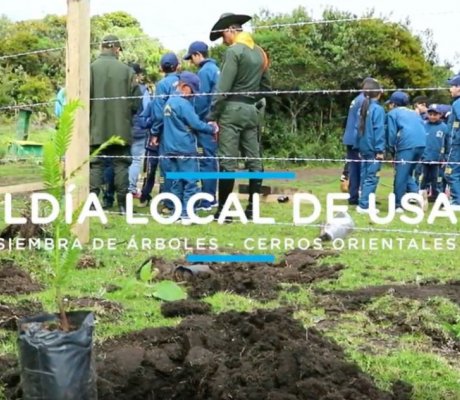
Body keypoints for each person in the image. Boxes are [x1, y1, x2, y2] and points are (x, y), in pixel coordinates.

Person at [208, 13, 271, 222]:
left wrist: (213, 114)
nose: (223, 41)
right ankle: (252, 210)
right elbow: (267, 87)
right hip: (252, 111)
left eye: (222, 36)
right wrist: (251, 101)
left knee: (228, 162)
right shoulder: (261, 53)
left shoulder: (234, 51)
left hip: (231, 111)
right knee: (255, 160)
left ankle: (224, 213)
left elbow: (223, 88)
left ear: (230, 30)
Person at [90, 34, 141, 214]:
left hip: (95, 127)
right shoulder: (128, 71)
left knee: (95, 164)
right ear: (117, 49)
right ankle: (122, 205)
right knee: (121, 164)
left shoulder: (90, 69)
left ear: (102, 47)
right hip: (121, 128)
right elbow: (136, 103)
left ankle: (92, 203)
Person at [158, 71, 218, 224]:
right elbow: (196, 124)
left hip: (170, 148)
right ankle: (187, 214)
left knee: (176, 182)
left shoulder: (169, 103)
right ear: (185, 88)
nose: (193, 95)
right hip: (185, 149)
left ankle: (177, 213)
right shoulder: (183, 104)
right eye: (192, 91)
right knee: (191, 182)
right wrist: (212, 128)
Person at [183, 41, 220, 211]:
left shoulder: (205, 71)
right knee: (211, 158)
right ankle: (211, 196)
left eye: (191, 58)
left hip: (206, 121)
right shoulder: (215, 69)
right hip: (215, 119)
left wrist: (194, 120)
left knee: (206, 159)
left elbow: (202, 100)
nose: (191, 62)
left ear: (198, 54)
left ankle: (208, 199)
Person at [140, 53, 180, 208]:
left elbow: (158, 112)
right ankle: (178, 198)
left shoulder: (162, 85)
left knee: (163, 166)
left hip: (164, 132)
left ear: (161, 68)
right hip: (181, 132)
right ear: (178, 66)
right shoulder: (184, 83)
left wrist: (155, 133)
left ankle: (167, 200)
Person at [342, 77, 381, 205]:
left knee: (355, 168)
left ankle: (357, 196)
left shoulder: (357, 99)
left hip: (351, 138)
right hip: (358, 140)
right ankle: (359, 197)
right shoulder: (364, 101)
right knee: (360, 170)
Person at [386, 91, 427, 212]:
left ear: (394, 104)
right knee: (408, 173)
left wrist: (391, 150)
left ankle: (398, 204)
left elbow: (391, 134)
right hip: (421, 144)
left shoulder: (393, 113)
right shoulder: (414, 113)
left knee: (400, 174)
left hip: (407, 145)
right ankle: (417, 194)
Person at [354, 79, 385, 214]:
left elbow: (357, 130)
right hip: (373, 148)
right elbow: (379, 130)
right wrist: (380, 149)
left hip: (364, 147)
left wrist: (358, 146)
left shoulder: (362, 108)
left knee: (365, 174)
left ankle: (364, 201)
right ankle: (365, 205)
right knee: (372, 176)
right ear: (378, 93)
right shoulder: (378, 109)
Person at [128, 63, 151, 198]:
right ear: (137, 75)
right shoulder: (143, 90)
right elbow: (147, 110)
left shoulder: (119, 89)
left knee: (121, 161)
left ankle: (114, 189)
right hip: (139, 130)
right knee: (135, 160)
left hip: (123, 128)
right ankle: (131, 188)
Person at [420, 104, 449, 202]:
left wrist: (445, 157)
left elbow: (448, 144)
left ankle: (438, 198)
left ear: (440, 115)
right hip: (424, 158)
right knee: (422, 179)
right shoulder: (423, 125)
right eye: (430, 114)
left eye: (435, 114)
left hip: (437, 159)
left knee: (437, 179)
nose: (432, 116)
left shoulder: (444, 127)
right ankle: (420, 197)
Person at [445, 74, 460, 209]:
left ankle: (457, 201)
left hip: (457, 144)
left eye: (452, 86)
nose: (450, 89)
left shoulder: (458, 103)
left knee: (451, 171)